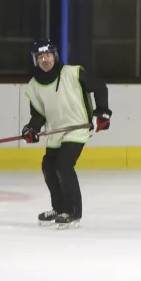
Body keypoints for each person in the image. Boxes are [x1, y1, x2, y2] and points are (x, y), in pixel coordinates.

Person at [21, 38, 111, 229]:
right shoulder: (34, 85)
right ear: (35, 60)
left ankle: (73, 211)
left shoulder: (73, 72)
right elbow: (39, 114)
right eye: (40, 56)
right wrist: (32, 128)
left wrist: (102, 112)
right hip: (55, 131)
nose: (45, 59)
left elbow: (100, 87)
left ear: (55, 55)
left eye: (48, 55)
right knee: (48, 167)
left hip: (77, 128)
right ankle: (59, 208)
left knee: (63, 165)